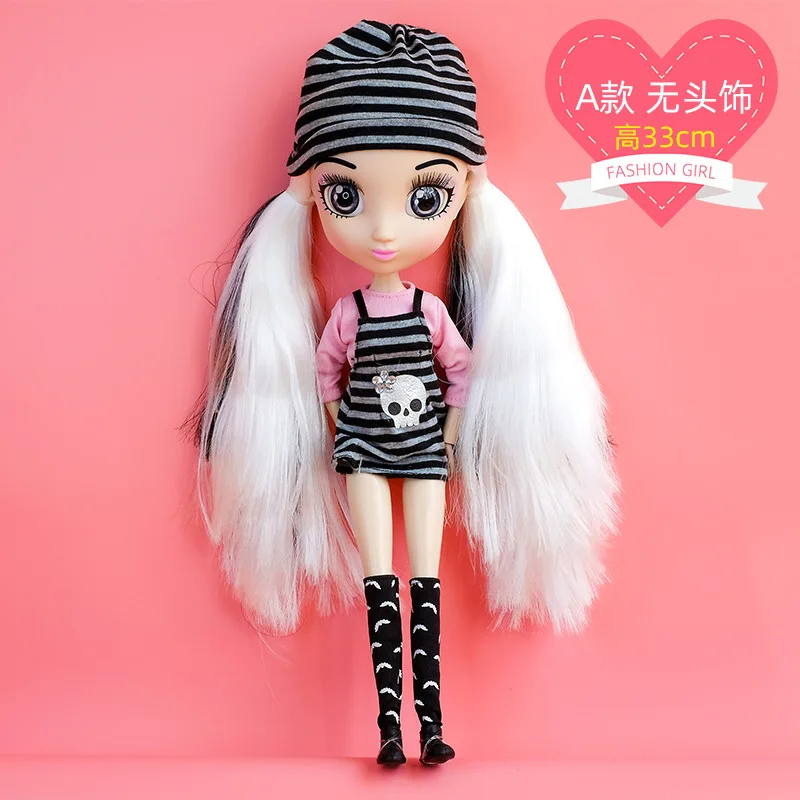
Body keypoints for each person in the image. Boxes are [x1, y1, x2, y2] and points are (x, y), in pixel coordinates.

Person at [186, 19, 620, 767]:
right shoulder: (349, 315)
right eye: (344, 194)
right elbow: (326, 372)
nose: (384, 231)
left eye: (426, 197)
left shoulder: (430, 312)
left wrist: (446, 432)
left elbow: (462, 371)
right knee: (379, 578)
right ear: (309, 191)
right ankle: (390, 726)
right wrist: (338, 423)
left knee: (425, 577)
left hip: (420, 451)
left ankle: (433, 723)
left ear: (466, 192)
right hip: (363, 449)